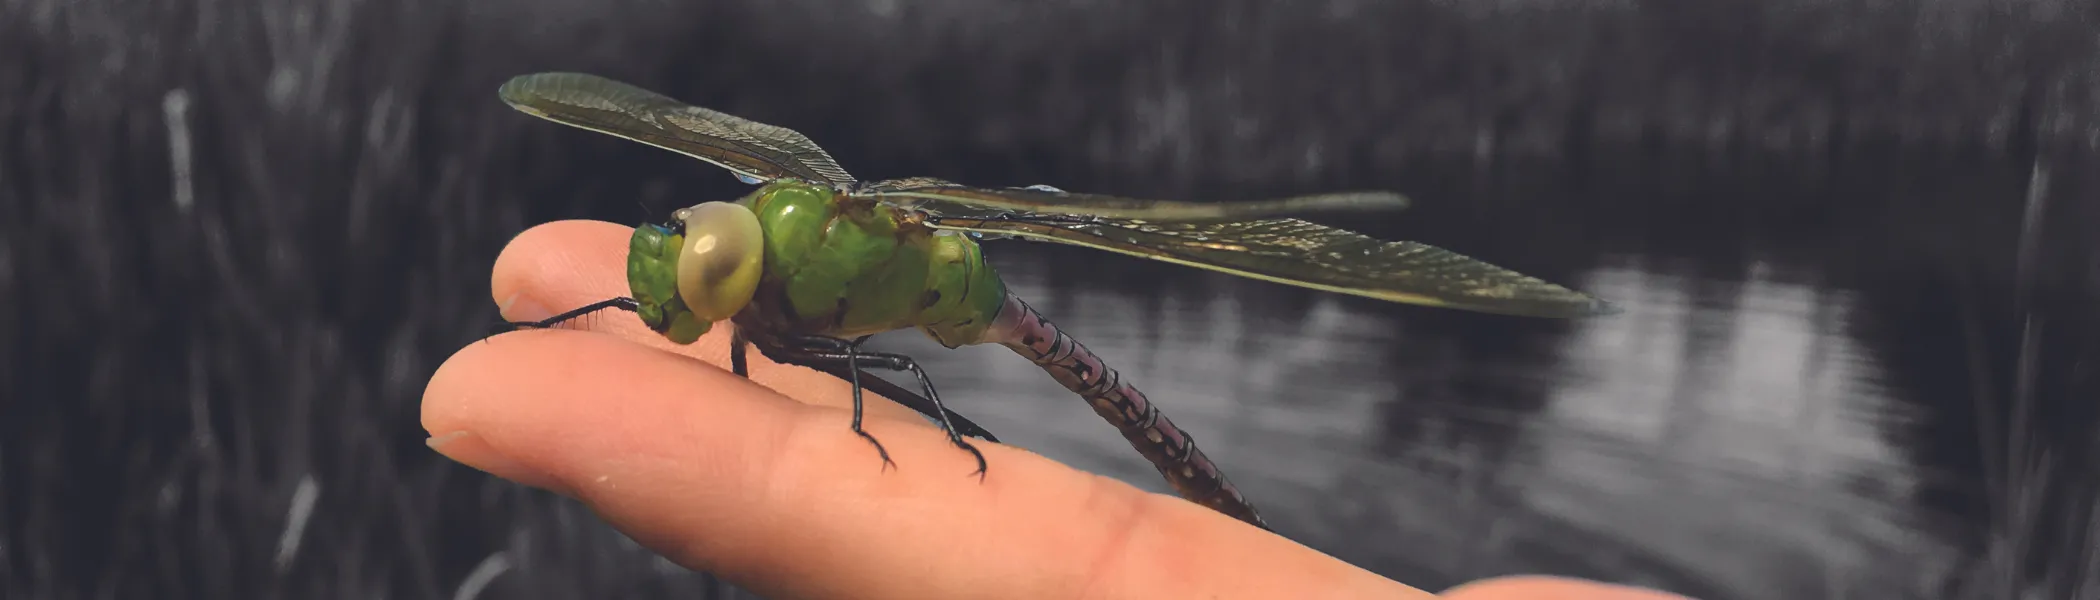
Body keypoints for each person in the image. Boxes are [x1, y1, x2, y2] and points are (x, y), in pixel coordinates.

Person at [423, 220, 1691, 599]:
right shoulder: (751, 261)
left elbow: (889, 371)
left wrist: (881, 414)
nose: (695, 283)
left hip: (966, 299)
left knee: (905, 384)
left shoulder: (830, 256)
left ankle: (1220, 506)